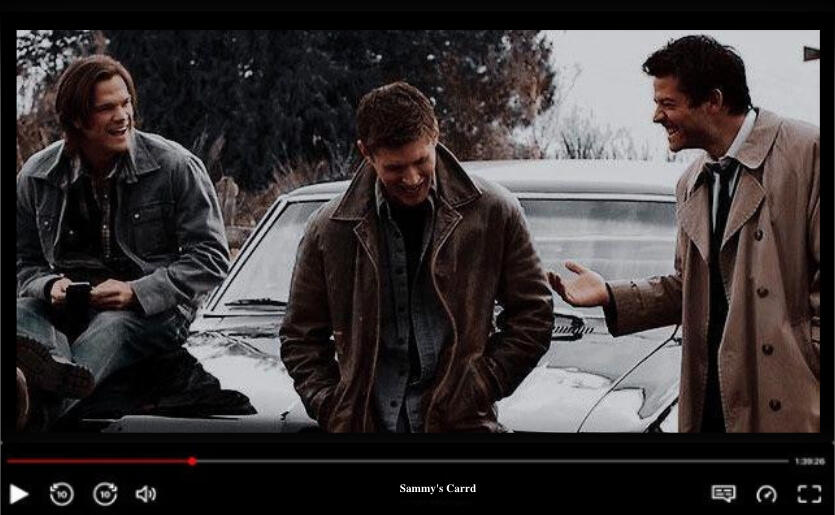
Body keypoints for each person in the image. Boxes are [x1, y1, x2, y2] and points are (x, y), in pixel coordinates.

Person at [549, 35, 819, 432]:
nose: (656, 117)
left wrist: (806, 361)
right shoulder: (691, 182)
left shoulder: (809, 154)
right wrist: (610, 294)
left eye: (668, 104)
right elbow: (689, 288)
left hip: (790, 408)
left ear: (713, 100)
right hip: (711, 407)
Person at [280, 81, 554, 432]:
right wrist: (333, 407)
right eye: (395, 168)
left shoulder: (494, 212)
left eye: (421, 161)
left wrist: (481, 386)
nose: (411, 179)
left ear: (436, 135)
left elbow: (533, 315)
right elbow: (300, 337)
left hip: (462, 427)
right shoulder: (328, 229)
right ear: (366, 153)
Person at [16, 54, 230, 430]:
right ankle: (56, 365)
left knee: (111, 328)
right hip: (67, 308)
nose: (122, 116)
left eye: (126, 103)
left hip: (152, 312)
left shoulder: (175, 166)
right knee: (19, 311)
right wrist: (49, 286)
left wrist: (135, 292)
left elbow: (211, 257)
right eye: (106, 108)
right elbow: (21, 261)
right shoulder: (36, 176)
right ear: (77, 119)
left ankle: (38, 410)